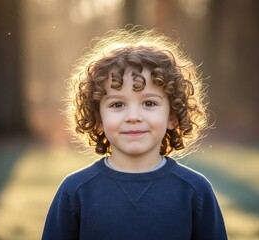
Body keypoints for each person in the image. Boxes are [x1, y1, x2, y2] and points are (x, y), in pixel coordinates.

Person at [42, 27, 227, 240]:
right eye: (117, 104)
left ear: (172, 116)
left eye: (149, 103)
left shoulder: (195, 191)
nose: (133, 116)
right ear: (98, 118)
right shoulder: (75, 192)